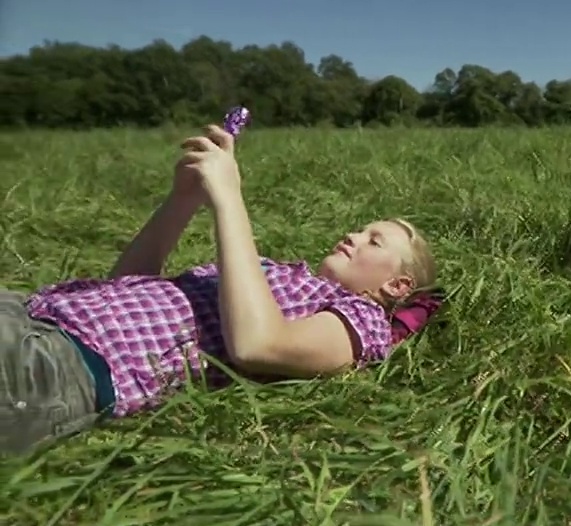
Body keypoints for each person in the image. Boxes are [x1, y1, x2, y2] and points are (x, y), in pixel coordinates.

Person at [0, 125, 438, 455]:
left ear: (396, 285)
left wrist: (229, 197)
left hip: (62, 366)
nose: (354, 235)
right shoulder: (274, 273)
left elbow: (259, 345)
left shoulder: (360, 321)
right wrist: (184, 199)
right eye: (362, 229)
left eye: (373, 240)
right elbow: (124, 286)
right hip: (38, 309)